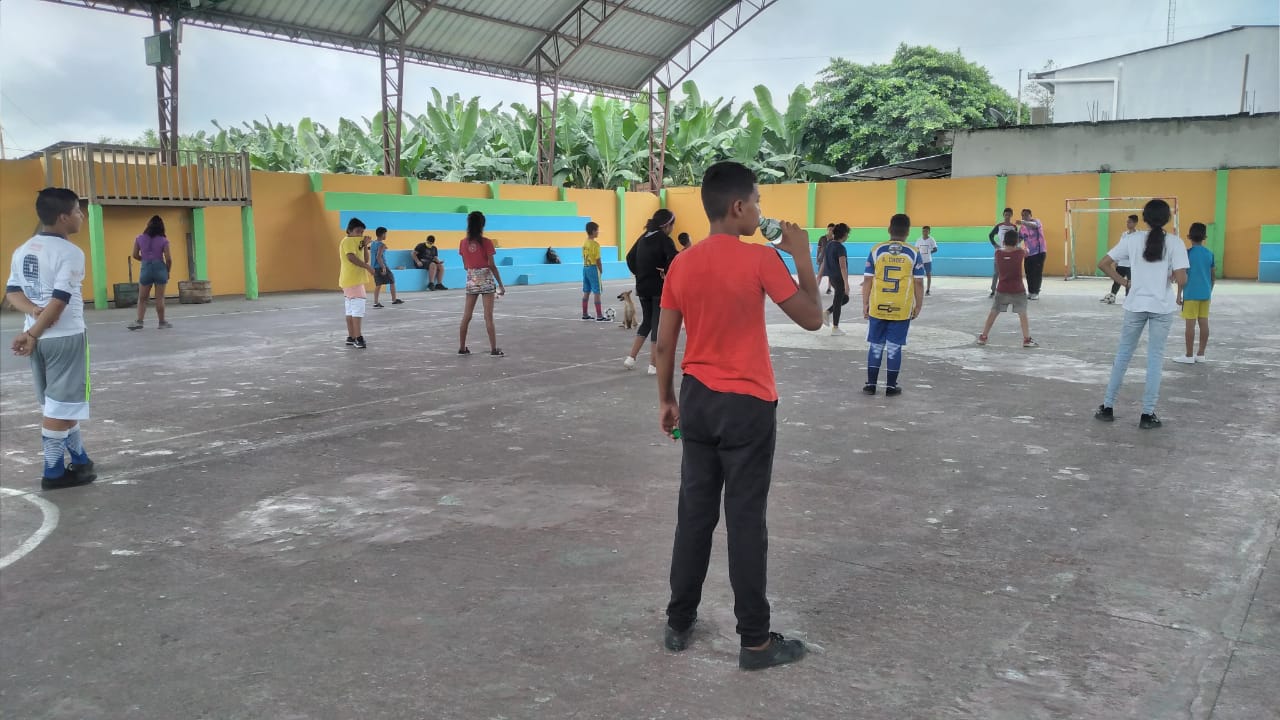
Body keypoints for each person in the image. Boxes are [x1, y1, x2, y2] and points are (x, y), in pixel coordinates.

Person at [655, 160, 821, 670]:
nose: (760, 211)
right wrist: (802, 256)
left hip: (698, 400)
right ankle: (755, 642)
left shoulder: (683, 264)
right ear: (738, 206)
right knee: (746, 521)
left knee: (694, 514)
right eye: (757, 202)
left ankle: (679, 621)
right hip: (748, 405)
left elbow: (664, 344)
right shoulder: (760, 259)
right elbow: (813, 318)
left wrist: (667, 400)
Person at [5, 188, 98, 490]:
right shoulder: (70, 252)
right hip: (64, 338)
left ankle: (80, 460)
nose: (81, 216)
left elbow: (12, 292)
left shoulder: (23, 249)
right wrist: (32, 332)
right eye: (77, 211)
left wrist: (33, 314)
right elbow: (59, 302)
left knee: (60, 403)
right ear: (63, 217)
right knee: (59, 408)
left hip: (40, 339)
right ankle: (54, 473)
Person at [1095, 199, 1189, 429]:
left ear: (1144, 218)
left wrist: (1124, 282)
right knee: (1155, 359)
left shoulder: (1132, 239)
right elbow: (1182, 278)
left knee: (1123, 355)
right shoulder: (1175, 243)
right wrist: (1173, 276)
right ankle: (1147, 414)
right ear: (1167, 218)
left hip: (1135, 304)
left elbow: (1104, 263)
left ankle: (1107, 407)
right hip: (1162, 307)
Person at [861, 213, 925, 396]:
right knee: (894, 347)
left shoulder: (877, 250)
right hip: (901, 307)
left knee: (875, 345)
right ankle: (890, 386)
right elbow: (919, 283)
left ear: (889, 229)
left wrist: (865, 304)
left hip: (878, 305)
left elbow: (867, 280)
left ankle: (871, 385)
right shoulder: (914, 253)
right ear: (908, 232)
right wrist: (918, 305)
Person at [624, 209, 678, 374]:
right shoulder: (664, 240)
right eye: (672, 225)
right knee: (656, 325)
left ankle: (631, 358)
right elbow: (675, 259)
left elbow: (629, 257)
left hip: (642, 287)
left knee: (647, 321)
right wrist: (666, 272)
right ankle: (653, 365)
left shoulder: (643, 237)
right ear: (667, 225)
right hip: (658, 288)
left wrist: (640, 273)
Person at [977, 229, 1038, 348]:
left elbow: (1002, 250)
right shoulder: (1020, 252)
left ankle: (983, 337)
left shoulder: (998, 253)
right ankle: (1026, 339)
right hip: (1018, 290)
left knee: (993, 312)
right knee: (1022, 314)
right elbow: (1027, 251)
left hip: (1002, 289)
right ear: (1016, 241)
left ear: (1004, 241)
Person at [458, 211, 506, 356]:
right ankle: (493, 349)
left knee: (467, 315)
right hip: (486, 279)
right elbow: (491, 265)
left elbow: (465, 265)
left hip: (471, 279)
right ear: (482, 225)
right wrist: (500, 284)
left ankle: (462, 347)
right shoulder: (487, 242)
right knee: (488, 316)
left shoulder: (463, 243)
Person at [1174, 222, 1214, 364]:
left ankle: (1189, 355)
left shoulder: (1186, 254)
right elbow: (1213, 277)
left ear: (1189, 237)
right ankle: (1201, 354)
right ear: (1205, 237)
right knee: (1204, 323)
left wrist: (1179, 294)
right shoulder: (1209, 254)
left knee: (1190, 325)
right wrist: (1209, 291)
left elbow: (1182, 276)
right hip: (1205, 294)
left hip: (1190, 294)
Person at [127, 215, 173, 330]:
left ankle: (139, 321)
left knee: (142, 298)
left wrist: (144, 259)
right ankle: (162, 322)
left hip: (146, 268)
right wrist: (167, 271)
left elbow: (135, 255)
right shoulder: (164, 240)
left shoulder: (139, 238)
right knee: (160, 298)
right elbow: (168, 259)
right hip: (160, 269)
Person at [339, 218, 374, 349]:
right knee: (358, 310)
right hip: (353, 281)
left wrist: (364, 245)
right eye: (358, 231)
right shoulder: (348, 241)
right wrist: (368, 267)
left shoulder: (356, 242)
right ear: (349, 231)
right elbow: (351, 257)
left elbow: (365, 259)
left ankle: (351, 337)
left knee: (350, 310)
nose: (360, 234)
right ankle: (358, 338)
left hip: (349, 281)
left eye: (362, 232)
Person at [821, 223, 851, 335]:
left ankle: (827, 312)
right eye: (847, 234)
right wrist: (846, 283)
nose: (848, 236)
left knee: (844, 298)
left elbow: (825, 261)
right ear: (844, 234)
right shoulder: (840, 248)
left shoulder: (829, 244)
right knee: (838, 301)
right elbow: (843, 267)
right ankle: (835, 327)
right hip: (839, 278)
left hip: (832, 277)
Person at [1101, 215, 1138, 304]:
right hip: (1121, 263)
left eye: (1130, 222)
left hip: (1131, 264)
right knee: (1117, 280)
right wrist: (1116, 261)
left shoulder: (1138, 236)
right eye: (1127, 222)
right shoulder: (1124, 234)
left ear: (1135, 223)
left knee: (1130, 282)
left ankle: (1128, 299)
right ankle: (1112, 296)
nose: (1128, 224)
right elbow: (1120, 248)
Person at [580, 221, 608, 321]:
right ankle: (599, 316)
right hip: (593, 268)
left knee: (586, 291)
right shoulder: (595, 245)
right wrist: (600, 269)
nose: (598, 232)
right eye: (597, 230)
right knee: (597, 292)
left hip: (585, 267)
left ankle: (585, 314)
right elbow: (598, 260)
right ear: (593, 231)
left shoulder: (585, 243)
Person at [988, 208, 1018, 297]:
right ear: (1003, 215)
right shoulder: (999, 226)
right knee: (996, 272)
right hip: (1000, 252)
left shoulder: (1014, 227)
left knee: (1009, 272)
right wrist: (995, 245)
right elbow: (990, 235)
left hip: (1010, 252)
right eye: (1006, 215)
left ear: (1011, 215)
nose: (1007, 216)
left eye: (1009, 215)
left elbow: (1016, 239)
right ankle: (993, 290)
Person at [369, 227, 403, 307]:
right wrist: (383, 267)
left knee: (378, 284)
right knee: (392, 281)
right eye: (385, 234)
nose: (386, 235)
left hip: (374, 267)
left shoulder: (373, 243)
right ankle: (394, 300)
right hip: (381, 265)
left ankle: (376, 302)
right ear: (383, 234)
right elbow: (378, 257)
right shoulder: (382, 245)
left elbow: (374, 251)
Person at [1018, 208, 1047, 299]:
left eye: (1026, 215)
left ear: (1031, 215)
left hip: (1039, 252)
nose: (1024, 217)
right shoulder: (1022, 228)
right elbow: (1019, 239)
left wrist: (1023, 222)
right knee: (1028, 273)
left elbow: (1034, 226)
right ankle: (1031, 292)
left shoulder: (1036, 222)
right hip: (1028, 254)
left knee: (1037, 273)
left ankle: (1036, 292)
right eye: (1022, 215)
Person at [917, 225, 939, 296]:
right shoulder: (919, 240)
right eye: (923, 231)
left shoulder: (931, 240)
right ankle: (920, 289)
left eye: (926, 231)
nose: (924, 232)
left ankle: (928, 289)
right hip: (920, 261)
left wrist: (929, 252)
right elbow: (916, 249)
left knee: (928, 274)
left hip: (928, 260)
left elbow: (935, 249)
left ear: (929, 232)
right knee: (919, 275)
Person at [816, 223, 835, 294]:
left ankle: (829, 288)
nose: (831, 231)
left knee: (831, 275)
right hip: (822, 259)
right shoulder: (822, 238)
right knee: (820, 274)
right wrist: (817, 257)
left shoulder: (835, 240)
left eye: (832, 230)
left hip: (831, 259)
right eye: (830, 229)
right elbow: (819, 249)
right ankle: (816, 289)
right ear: (827, 229)